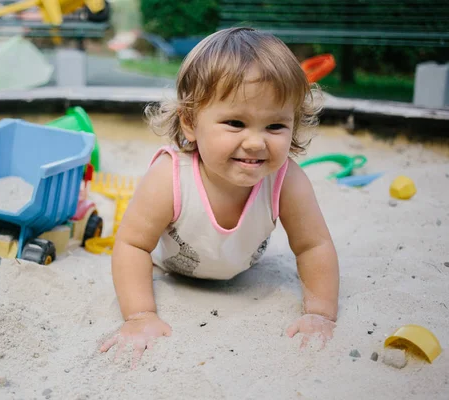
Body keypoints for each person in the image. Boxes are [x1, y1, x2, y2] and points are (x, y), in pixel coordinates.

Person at [99, 27, 340, 367]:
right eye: (235, 122)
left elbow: (313, 245)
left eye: (275, 126)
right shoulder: (169, 178)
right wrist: (140, 315)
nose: (257, 142)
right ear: (190, 123)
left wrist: (320, 313)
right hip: (173, 270)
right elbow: (132, 245)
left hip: (242, 272)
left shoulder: (287, 182)